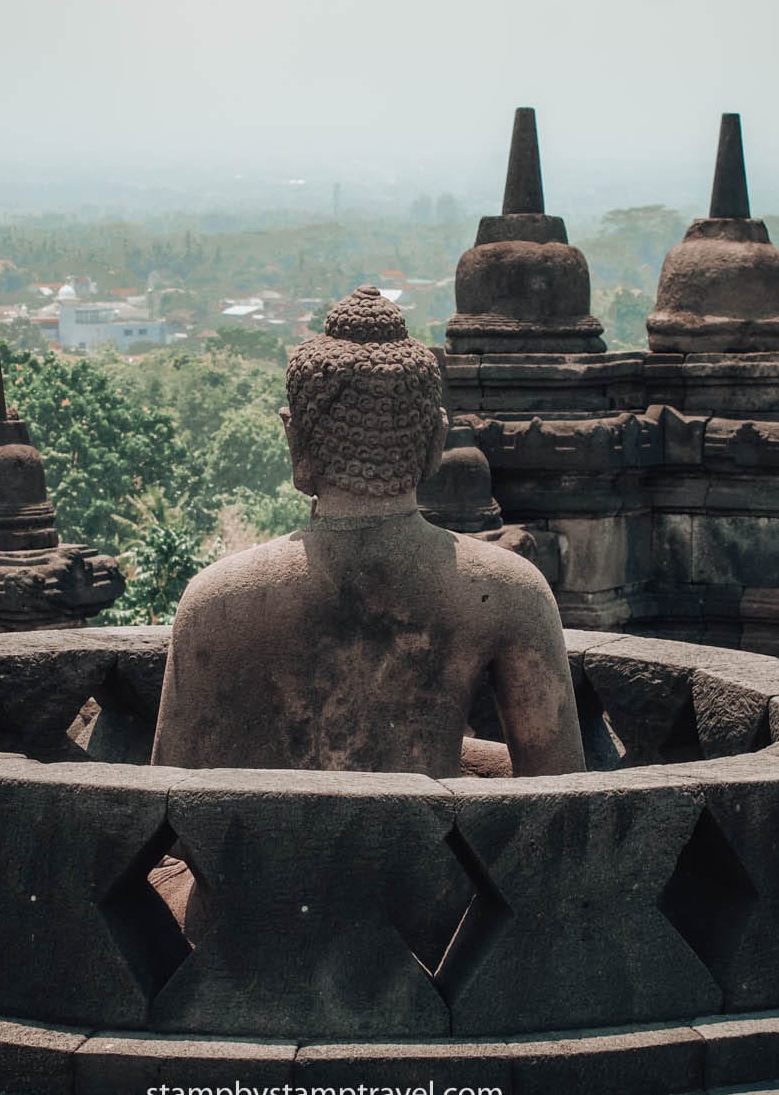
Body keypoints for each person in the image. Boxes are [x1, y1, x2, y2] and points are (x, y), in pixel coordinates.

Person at [151, 285, 584, 779]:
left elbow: (172, 804)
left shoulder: (217, 601)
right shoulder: (510, 592)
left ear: (296, 441)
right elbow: (560, 798)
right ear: (434, 444)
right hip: (434, 855)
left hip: (256, 857)